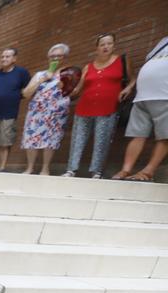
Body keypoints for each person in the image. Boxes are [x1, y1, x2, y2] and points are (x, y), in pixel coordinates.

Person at [64, 34, 135, 179]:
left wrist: (128, 89)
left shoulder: (121, 61)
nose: (106, 47)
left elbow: (133, 78)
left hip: (108, 108)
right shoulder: (88, 66)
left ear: (114, 45)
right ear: (97, 48)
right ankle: (71, 169)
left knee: (102, 140)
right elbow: (78, 89)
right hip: (84, 107)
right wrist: (65, 89)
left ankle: (96, 172)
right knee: (78, 139)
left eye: (109, 43)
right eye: (102, 44)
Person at [111, 35, 168, 182]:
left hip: (164, 94)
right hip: (142, 96)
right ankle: (126, 169)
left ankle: (148, 172)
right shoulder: (162, 41)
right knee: (137, 134)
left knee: (165, 136)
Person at [20, 43, 73, 175]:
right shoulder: (39, 74)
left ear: (65, 58)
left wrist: (63, 84)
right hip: (36, 112)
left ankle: (45, 168)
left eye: (58, 56)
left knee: (51, 139)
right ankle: (30, 167)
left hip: (56, 113)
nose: (55, 59)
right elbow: (26, 93)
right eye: (52, 56)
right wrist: (42, 79)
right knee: (32, 137)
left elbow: (73, 93)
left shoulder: (69, 73)